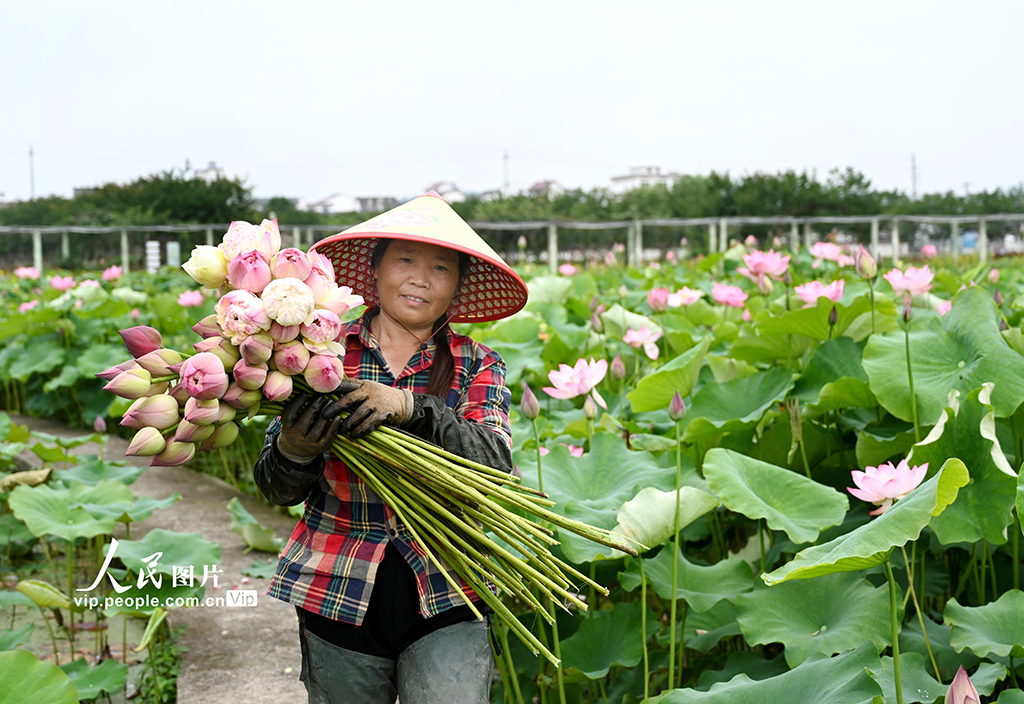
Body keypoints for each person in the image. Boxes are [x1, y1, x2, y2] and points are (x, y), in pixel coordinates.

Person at [253, 192, 528, 704]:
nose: (420, 279)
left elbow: (494, 464)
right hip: (335, 584)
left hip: (451, 586)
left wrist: (411, 407)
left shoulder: (477, 364)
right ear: (374, 270)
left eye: (440, 268)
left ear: (457, 287)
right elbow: (276, 489)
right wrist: (295, 449)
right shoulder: (317, 350)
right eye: (405, 260)